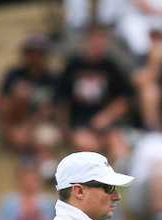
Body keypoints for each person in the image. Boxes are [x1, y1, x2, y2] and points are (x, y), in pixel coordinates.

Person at [56, 25, 133, 153]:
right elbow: (61, 100)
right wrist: (65, 130)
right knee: (89, 148)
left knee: (120, 149)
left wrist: (107, 116)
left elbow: (125, 99)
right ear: (86, 42)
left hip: (107, 125)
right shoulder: (73, 66)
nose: (98, 46)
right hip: (80, 124)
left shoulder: (110, 66)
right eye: (95, 42)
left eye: (102, 42)